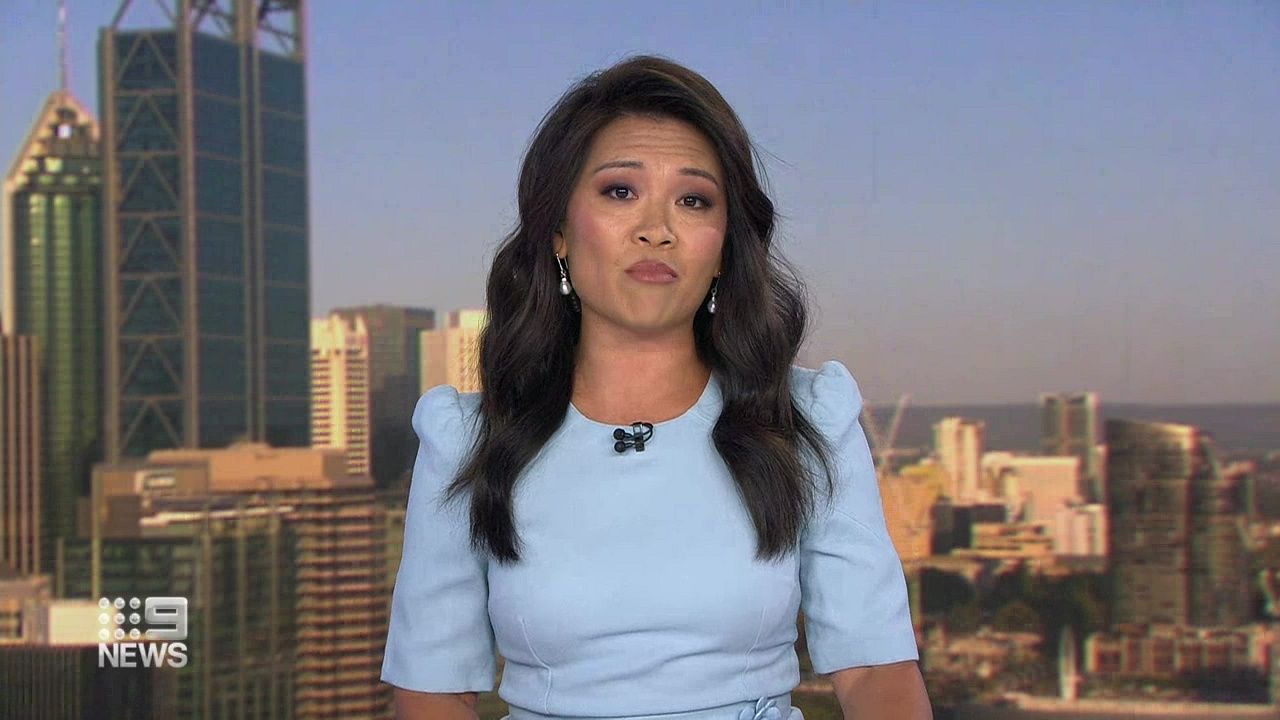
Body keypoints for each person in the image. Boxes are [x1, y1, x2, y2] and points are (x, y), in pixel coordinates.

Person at [380, 55, 932, 720]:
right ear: (558, 233)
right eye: (620, 191)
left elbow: (875, 669)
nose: (657, 230)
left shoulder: (806, 419)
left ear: (724, 246)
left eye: (693, 200)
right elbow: (432, 687)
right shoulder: (467, 441)